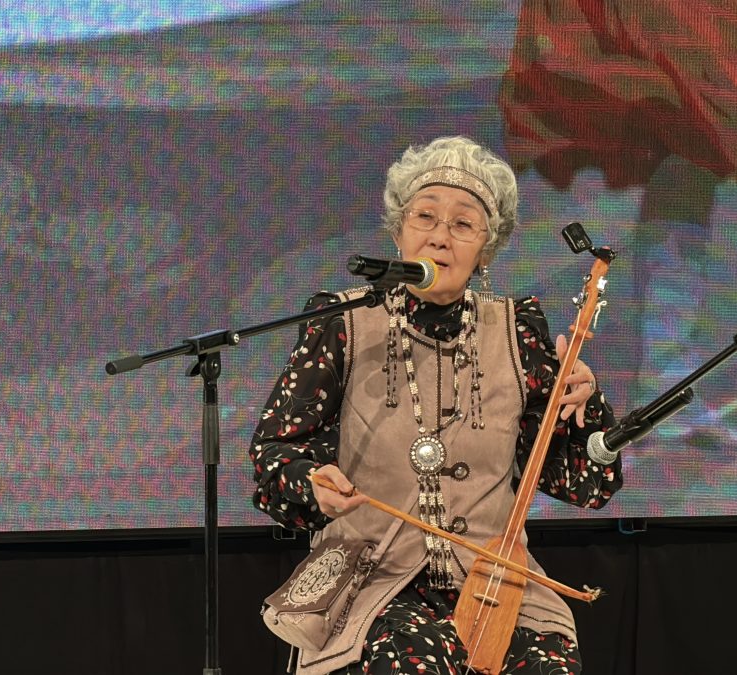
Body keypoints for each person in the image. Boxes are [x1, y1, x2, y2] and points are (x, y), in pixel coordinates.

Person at [250, 136, 623, 674]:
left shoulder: (519, 332)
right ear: (398, 232)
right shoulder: (342, 321)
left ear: (486, 250)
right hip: (372, 583)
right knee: (411, 661)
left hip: (495, 586)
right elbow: (275, 453)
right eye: (425, 217)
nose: (440, 237)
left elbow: (582, 485)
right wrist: (310, 482)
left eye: (463, 224)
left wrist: (588, 407)